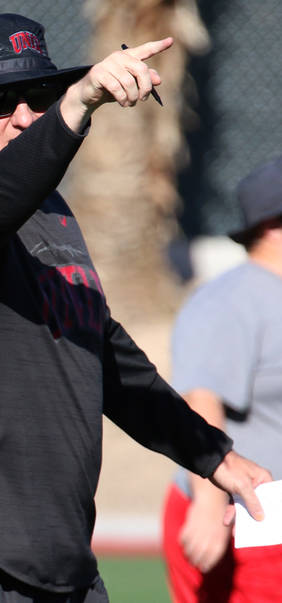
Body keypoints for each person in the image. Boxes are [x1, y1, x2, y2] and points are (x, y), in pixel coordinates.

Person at [0, 13, 272, 602]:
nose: (22, 115)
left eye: (38, 95)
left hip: (61, 556)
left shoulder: (54, 215)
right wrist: (79, 101)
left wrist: (213, 456)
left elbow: (105, 353)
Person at [161, 156, 282, 602]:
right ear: (272, 223)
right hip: (246, 525)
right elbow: (201, 396)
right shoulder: (230, 298)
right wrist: (209, 509)